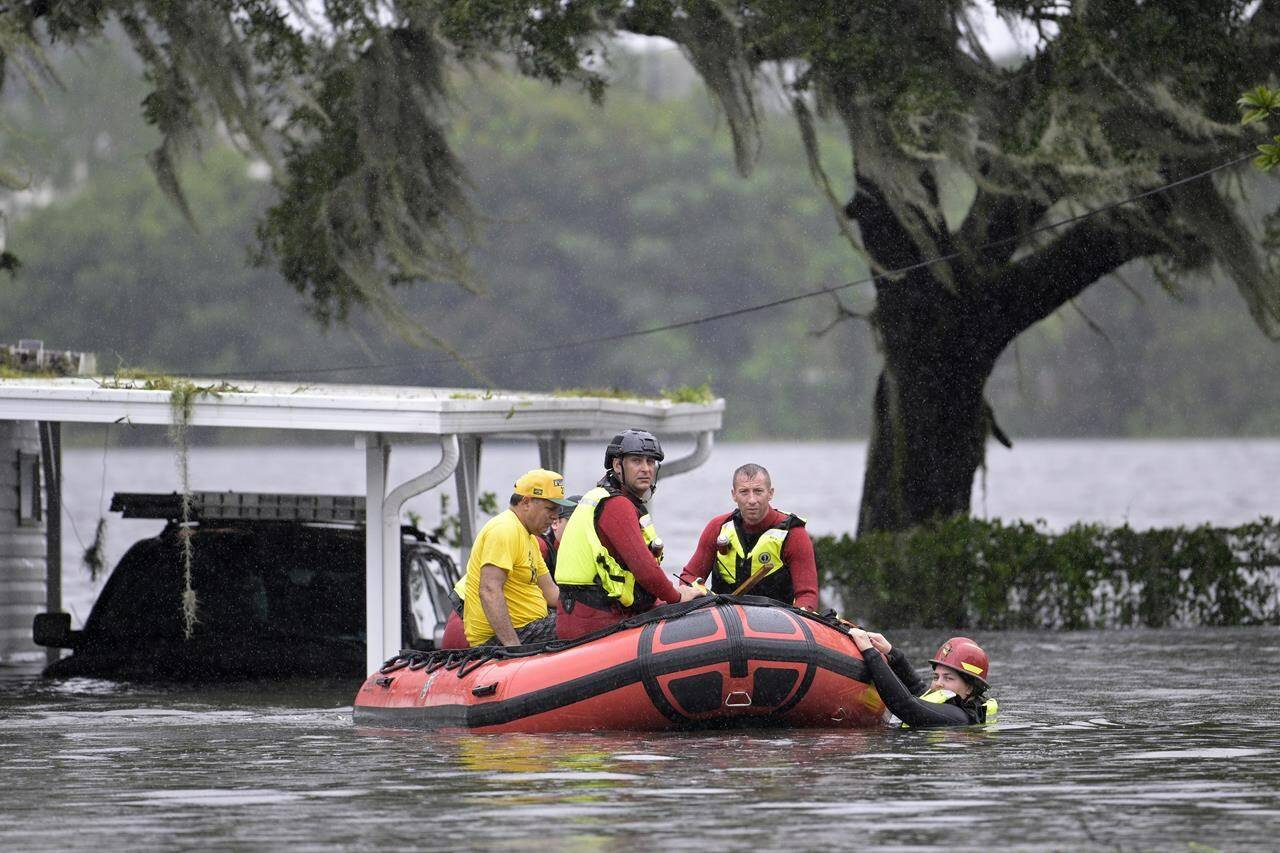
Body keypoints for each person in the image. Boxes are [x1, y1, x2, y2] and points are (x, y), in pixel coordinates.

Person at [554, 429, 702, 639]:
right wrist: (677, 596)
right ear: (617, 465)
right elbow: (645, 569)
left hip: (588, 614)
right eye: (636, 461)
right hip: (596, 621)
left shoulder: (605, 498)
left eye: (650, 462)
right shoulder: (617, 505)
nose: (645, 469)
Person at [678, 463, 819, 610]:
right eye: (744, 492)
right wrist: (699, 594)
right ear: (734, 495)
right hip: (724, 620)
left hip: (778, 623)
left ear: (770, 493)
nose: (752, 500)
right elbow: (689, 576)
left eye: (758, 491)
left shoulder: (794, 534)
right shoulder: (718, 527)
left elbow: (807, 595)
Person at [461, 469, 575, 647]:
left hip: (530, 628)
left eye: (559, 510)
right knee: (580, 626)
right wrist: (513, 646)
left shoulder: (529, 538)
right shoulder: (505, 529)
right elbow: (489, 590)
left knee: (584, 619)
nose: (555, 516)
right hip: (506, 637)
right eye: (550, 508)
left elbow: (551, 593)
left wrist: (591, 604)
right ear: (526, 502)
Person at [847, 629, 999, 727]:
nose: (938, 684)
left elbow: (906, 705)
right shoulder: (954, 704)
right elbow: (917, 688)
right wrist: (891, 652)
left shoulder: (959, 718)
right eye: (936, 676)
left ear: (969, 688)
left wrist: (870, 653)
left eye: (948, 678)